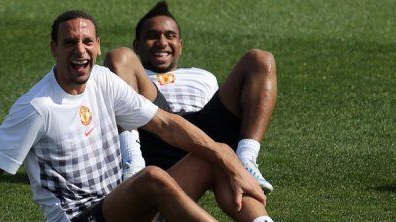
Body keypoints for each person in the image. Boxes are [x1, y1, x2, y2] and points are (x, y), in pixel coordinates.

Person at [0, 10, 345, 222]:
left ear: (96, 45)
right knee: (151, 177)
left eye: (87, 42)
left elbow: (167, 124)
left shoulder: (105, 80)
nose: (80, 50)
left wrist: (227, 158)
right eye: (70, 42)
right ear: (53, 48)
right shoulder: (36, 107)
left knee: (211, 151)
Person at [113, 1, 276, 193]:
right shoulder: (130, 74)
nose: (162, 42)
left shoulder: (203, 76)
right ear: (137, 46)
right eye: (152, 36)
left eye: (170, 36)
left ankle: (246, 160)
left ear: (180, 46)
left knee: (260, 59)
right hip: (157, 126)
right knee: (119, 55)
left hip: (204, 132)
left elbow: (221, 113)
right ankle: (132, 163)